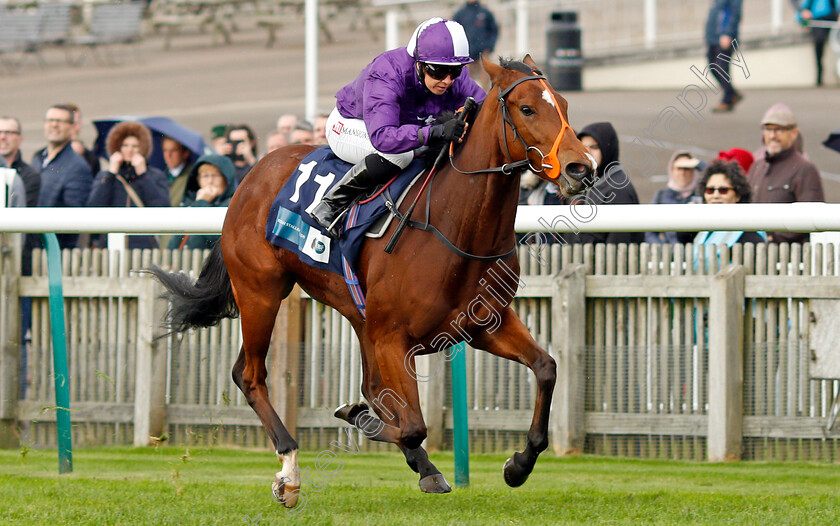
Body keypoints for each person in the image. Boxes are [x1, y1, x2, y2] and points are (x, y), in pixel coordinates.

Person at [309, 17, 486, 237]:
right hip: (350, 126)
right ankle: (331, 204)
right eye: (438, 71)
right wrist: (437, 131)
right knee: (402, 156)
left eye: (455, 71)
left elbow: (486, 110)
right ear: (419, 63)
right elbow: (383, 137)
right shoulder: (387, 73)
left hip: (399, 128)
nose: (447, 80)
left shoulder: (452, 76)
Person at [527, 122, 642, 245]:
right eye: (583, 146)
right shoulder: (586, 182)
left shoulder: (618, 188)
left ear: (607, 149)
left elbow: (619, 245)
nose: (587, 152)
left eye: (594, 147)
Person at [746, 103, 825, 243]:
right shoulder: (757, 166)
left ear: (794, 133)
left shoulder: (805, 169)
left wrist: (773, 237)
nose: (772, 135)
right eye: (768, 129)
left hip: (789, 255)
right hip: (755, 250)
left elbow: (811, 217)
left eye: (779, 130)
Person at [86, 121, 170, 249]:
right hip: (110, 245)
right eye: (125, 145)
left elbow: (161, 209)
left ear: (142, 148)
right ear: (117, 148)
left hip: (143, 247)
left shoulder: (155, 175)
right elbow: (94, 207)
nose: (129, 150)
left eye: (135, 146)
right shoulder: (106, 176)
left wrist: (143, 175)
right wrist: (111, 174)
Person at [31, 104, 93, 249]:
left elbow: (73, 219)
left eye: (60, 121)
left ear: (72, 128)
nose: (54, 125)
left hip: (53, 250)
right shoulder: (37, 158)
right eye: (50, 120)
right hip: (32, 247)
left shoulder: (77, 166)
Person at [168, 154, 235, 250]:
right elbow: (174, 242)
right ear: (198, 180)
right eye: (205, 176)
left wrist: (202, 202)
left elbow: (216, 240)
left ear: (226, 179)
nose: (210, 181)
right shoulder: (188, 204)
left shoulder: (233, 206)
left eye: (215, 176)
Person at [694, 159, 766, 245]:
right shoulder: (701, 230)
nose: (715, 195)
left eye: (723, 190)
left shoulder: (750, 235)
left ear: (738, 195)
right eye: (710, 190)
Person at [644, 150, 702, 245]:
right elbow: (649, 232)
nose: (683, 173)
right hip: (669, 254)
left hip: (696, 254)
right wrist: (665, 250)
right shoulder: (661, 195)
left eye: (687, 168)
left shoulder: (701, 194)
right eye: (679, 168)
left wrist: (699, 164)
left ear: (694, 171)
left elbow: (713, 176)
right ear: (672, 170)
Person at [705, 0, 744, 112]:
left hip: (724, 37)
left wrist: (727, 33)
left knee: (721, 67)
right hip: (713, 37)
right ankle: (731, 94)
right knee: (713, 67)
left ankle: (728, 98)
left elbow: (734, 13)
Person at [452, 0, 498, 91]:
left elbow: (493, 30)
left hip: (483, 54)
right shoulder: (460, 14)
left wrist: (489, 46)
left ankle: (485, 101)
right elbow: (453, 33)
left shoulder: (485, 12)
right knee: (464, 81)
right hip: (466, 56)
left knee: (486, 80)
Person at [0, 116, 39, 208]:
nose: (3, 137)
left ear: (20, 139)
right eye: (0, 132)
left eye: (9, 133)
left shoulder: (30, 176)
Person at [798, 0, 839, 86]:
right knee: (819, 42)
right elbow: (804, 10)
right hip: (818, 20)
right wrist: (804, 18)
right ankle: (819, 73)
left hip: (833, 19)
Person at [63, 103, 102, 177]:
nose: (76, 127)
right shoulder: (44, 155)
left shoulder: (91, 157)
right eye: (71, 123)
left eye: (77, 123)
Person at [162, 136, 194, 207]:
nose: (168, 155)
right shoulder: (160, 175)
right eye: (165, 150)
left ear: (186, 153)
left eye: (173, 150)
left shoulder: (192, 176)